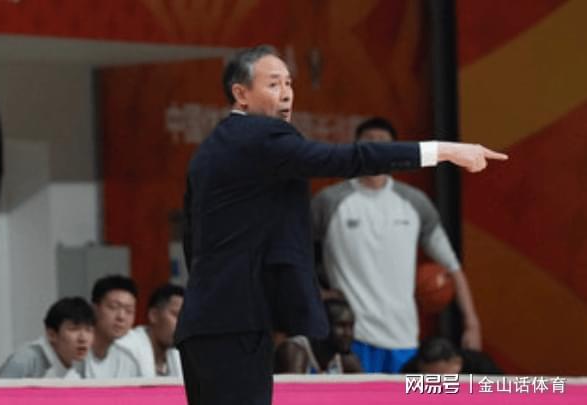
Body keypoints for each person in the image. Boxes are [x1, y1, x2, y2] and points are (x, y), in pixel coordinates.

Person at [174, 45, 507, 405]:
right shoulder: (260, 137)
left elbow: (193, 239)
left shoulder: (211, 148)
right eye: (273, 84)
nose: (286, 93)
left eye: (289, 83)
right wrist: (444, 150)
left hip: (205, 322)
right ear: (241, 94)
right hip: (236, 323)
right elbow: (348, 158)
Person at [311, 117, 483, 374]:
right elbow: (297, 254)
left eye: (383, 142)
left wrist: (472, 323)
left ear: (395, 151)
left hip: (403, 336)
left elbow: (452, 266)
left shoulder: (415, 202)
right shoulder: (329, 201)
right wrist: (318, 293)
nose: (376, 148)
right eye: (369, 141)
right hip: (349, 336)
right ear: (355, 147)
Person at [0, 297, 95, 378]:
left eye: (89, 330)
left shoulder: (79, 366)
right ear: (52, 334)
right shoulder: (26, 360)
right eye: (74, 329)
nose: (83, 339)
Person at [274, 298, 362, 374]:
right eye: (341, 326)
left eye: (351, 326)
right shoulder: (295, 350)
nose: (348, 333)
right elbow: (294, 388)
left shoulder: (346, 361)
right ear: (323, 325)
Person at [117, 284, 184, 377]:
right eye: (177, 315)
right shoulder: (125, 348)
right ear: (154, 315)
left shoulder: (178, 354)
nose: (183, 323)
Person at [84, 274, 140, 378]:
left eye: (129, 310)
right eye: (113, 307)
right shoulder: (73, 354)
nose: (121, 317)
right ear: (94, 308)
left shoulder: (127, 362)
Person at [401, 336, 501, 374]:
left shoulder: (482, 367)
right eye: (427, 377)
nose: (436, 384)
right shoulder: (411, 370)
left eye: (441, 377)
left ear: (457, 362)